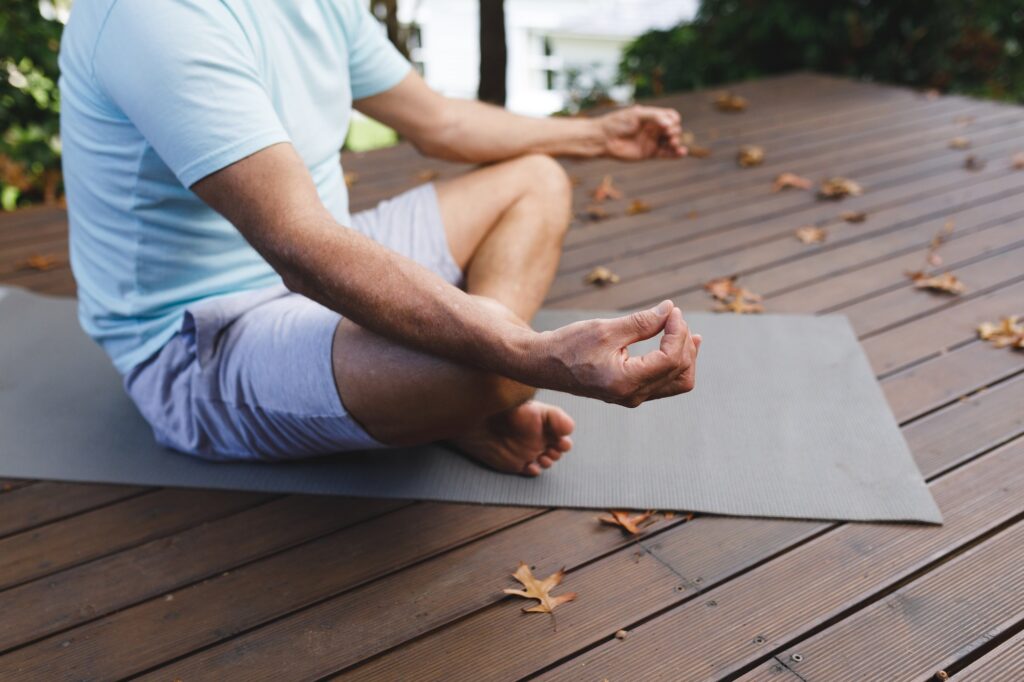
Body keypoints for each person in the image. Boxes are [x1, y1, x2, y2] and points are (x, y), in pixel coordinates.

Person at [58, 0, 701, 477]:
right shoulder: (152, 16)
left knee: (536, 180)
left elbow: (440, 121)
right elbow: (298, 248)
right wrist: (529, 356)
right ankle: (463, 399)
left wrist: (597, 135)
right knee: (496, 374)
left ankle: (442, 401)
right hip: (200, 340)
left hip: (323, 246)